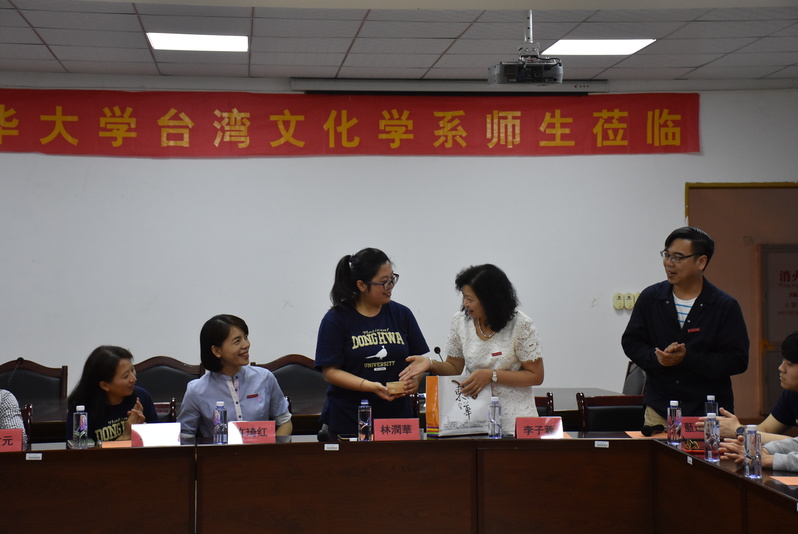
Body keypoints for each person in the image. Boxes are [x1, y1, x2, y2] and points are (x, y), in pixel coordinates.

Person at [622, 226, 749, 427]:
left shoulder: (723, 305)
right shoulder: (651, 298)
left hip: (708, 413)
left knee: (705, 450)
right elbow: (631, 342)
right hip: (660, 409)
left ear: (701, 262)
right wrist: (657, 359)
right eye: (667, 255)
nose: (668, 263)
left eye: (678, 258)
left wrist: (687, 358)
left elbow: (737, 360)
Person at [400, 264, 544, 436]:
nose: (465, 303)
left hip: (515, 421)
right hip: (474, 419)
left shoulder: (520, 325)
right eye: (463, 296)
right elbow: (454, 367)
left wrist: (491, 375)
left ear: (490, 299)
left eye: (470, 299)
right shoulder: (461, 321)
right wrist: (430, 364)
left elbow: (536, 376)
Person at [315, 247, 429, 439]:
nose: (390, 286)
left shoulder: (402, 314)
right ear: (361, 285)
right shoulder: (336, 319)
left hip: (396, 418)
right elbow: (330, 372)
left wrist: (415, 380)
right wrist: (369, 386)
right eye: (384, 282)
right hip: (350, 417)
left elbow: (417, 362)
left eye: (392, 279)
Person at [178, 314, 292, 442]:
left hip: (260, 453)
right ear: (216, 351)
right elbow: (185, 435)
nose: (246, 344)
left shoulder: (264, 378)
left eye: (245, 337)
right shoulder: (196, 390)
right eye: (237, 341)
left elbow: (285, 421)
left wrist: (272, 450)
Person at [701, 330, 798, 444]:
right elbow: (765, 429)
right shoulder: (792, 393)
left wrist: (739, 431)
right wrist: (736, 429)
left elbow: (794, 444)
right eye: (783, 360)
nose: (781, 368)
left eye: (790, 364)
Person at [66, 345, 158, 443]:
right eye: (126, 376)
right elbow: (80, 451)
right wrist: (126, 436)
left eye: (132, 370)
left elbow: (158, 440)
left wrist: (143, 429)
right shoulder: (81, 413)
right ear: (105, 385)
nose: (134, 379)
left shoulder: (141, 397)